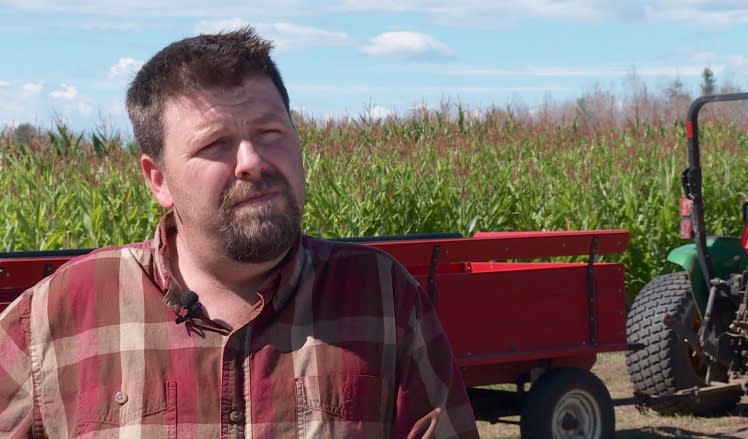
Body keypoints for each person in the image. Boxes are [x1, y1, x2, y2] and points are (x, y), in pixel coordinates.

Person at [0, 27, 478, 438]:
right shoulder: (54, 318)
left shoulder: (384, 300)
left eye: (270, 132)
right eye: (215, 144)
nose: (252, 161)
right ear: (158, 180)